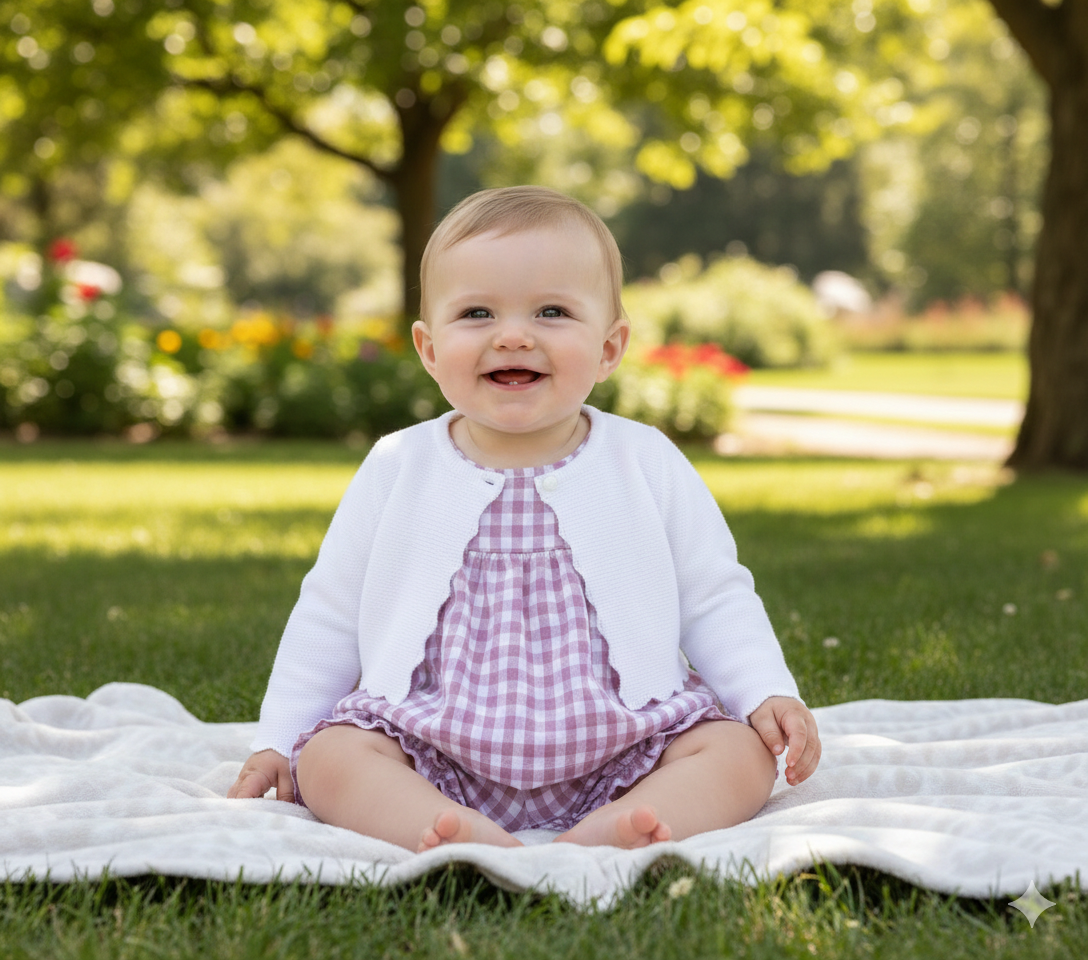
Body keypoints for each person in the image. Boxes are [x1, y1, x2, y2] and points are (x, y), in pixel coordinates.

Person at [228, 185, 821, 851]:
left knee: (738, 755)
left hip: (623, 737)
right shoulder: (399, 465)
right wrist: (279, 738)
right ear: (428, 348)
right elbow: (330, 611)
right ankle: (441, 824)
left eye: (552, 311)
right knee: (330, 758)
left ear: (608, 347)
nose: (513, 335)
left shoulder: (644, 460)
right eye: (477, 312)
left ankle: (620, 825)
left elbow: (713, 594)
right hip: (433, 738)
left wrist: (766, 691)